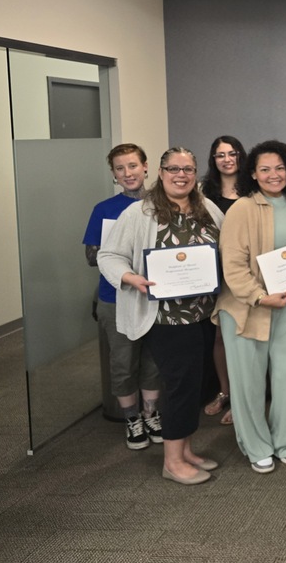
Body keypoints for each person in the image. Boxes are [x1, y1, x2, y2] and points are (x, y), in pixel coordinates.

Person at [98, 147, 224, 485]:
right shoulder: (140, 212)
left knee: (196, 384)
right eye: (173, 169)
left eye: (187, 169)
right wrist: (130, 278)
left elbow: (225, 248)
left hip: (202, 314)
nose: (180, 175)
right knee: (180, 385)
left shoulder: (207, 208)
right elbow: (109, 255)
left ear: (195, 173)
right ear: (161, 172)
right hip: (165, 319)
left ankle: (185, 449)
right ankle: (172, 461)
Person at [215, 140, 286, 473]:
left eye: (280, 167)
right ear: (253, 175)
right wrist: (260, 296)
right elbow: (233, 267)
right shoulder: (242, 208)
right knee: (249, 382)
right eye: (265, 169)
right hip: (249, 308)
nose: (274, 175)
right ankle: (256, 444)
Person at [83, 143, 161, 450]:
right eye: (119, 168)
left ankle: (151, 413)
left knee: (153, 361)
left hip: (153, 296)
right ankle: (132, 419)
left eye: (132, 166)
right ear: (114, 174)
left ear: (145, 167)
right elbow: (91, 256)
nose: (127, 173)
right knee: (123, 362)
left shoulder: (162, 203)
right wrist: (121, 251)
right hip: (115, 298)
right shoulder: (103, 209)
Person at [200, 135, 248, 426]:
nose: (227, 159)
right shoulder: (204, 192)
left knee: (244, 335)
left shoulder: (252, 189)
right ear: (213, 159)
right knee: (220, 335)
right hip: (215, 272)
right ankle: (225, 392)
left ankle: (245, 397)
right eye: (220, 155)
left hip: (246, 273)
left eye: (232, 153)